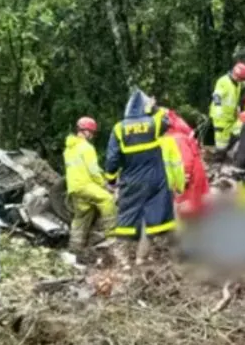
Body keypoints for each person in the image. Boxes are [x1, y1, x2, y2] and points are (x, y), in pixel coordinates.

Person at [103, 90, 174, 268]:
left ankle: (124, 261)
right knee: (152, 218)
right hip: (156, 180)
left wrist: (111, 180)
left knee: (127, 217)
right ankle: (141, 258)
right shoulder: (153, 123)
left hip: (132, 180)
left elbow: (112, 158)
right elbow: (168, 121)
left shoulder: (119, 128)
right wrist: (154, 106)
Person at [63, 117, 115, 252]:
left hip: (73, 188)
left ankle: (74, 248)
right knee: (107, 200)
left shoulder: (69, 149)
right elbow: (93, 171)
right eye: (91, 132)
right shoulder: (86, 147)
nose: (92, 135)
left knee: (82, 216)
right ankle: (112, 235)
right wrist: (104, 185)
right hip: (85, 185)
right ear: (85, 131)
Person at [209, 62, 245, 158]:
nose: (240, 80)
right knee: (221, 142)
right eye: (240, 78)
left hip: (231, 116)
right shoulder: (223, 81)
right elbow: (217, 95)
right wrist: (218, 108)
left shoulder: (238, 83)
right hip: (221, 116)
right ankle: (218, 158)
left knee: (236, 132)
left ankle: (225, 154)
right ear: (236, 75)